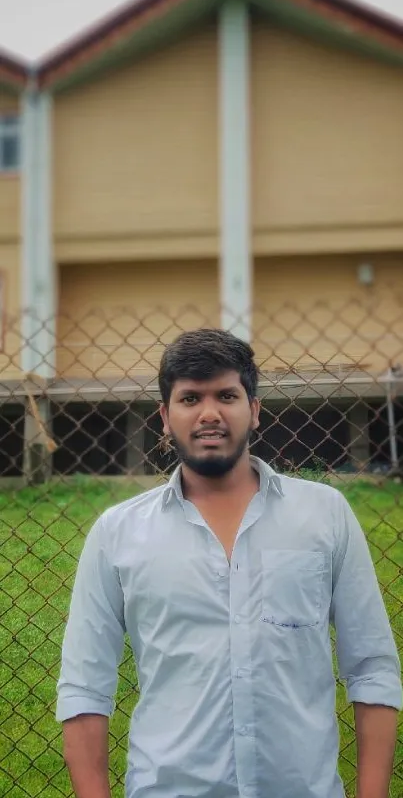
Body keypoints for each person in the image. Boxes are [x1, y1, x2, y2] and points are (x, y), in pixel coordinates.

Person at [56, 328, 402, 798]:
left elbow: (372, 668)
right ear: (164, 416)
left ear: (254, 410)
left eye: (226, 395)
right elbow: (84, 688)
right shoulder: (117, 534)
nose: (210, 413)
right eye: (190, 398)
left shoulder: (324, 516)